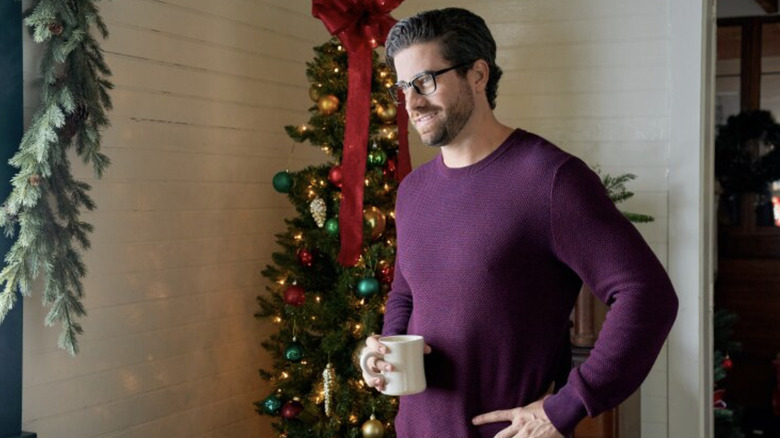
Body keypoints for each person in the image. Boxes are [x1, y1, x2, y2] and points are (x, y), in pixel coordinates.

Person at [359, 7, 678, 438]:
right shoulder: (413, 191)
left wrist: (567, 405)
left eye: (425, 81)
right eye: (402, 87)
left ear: (477, 75)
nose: (411, 102)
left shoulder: (549, 179)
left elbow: (648, 294)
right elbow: (406, 293)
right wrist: (385, 353)